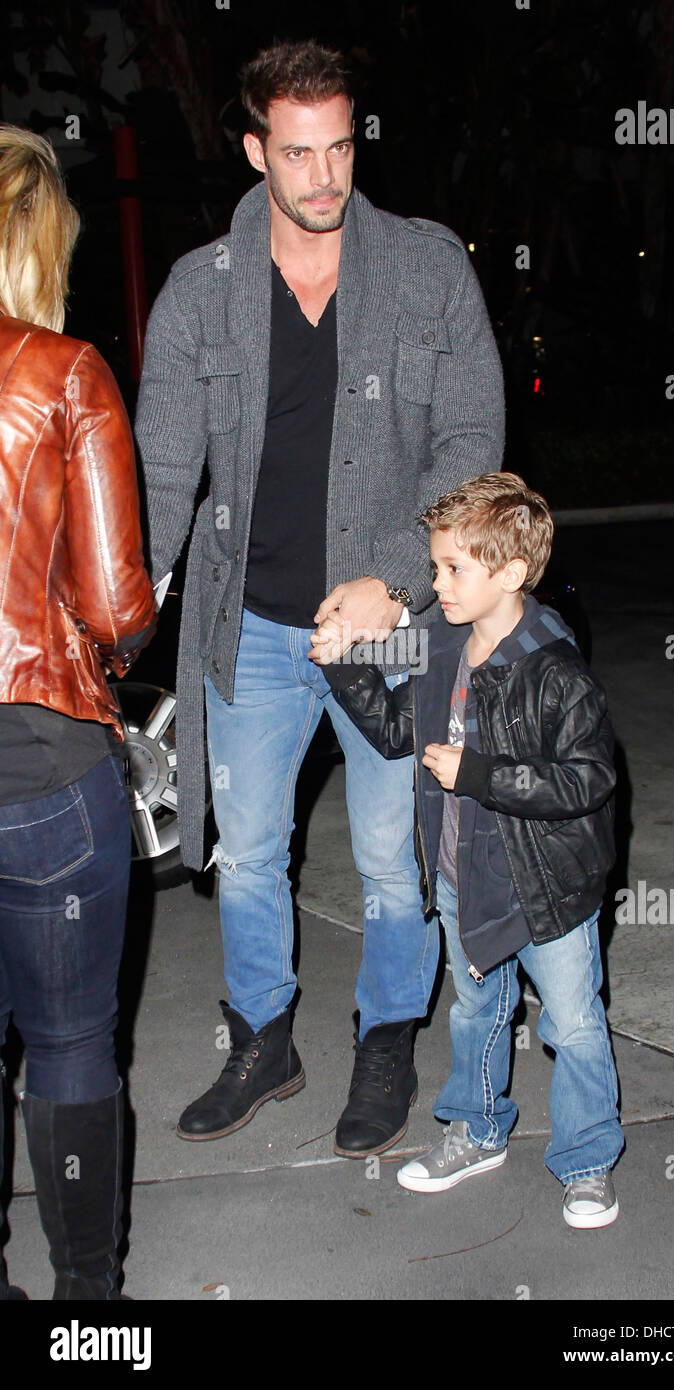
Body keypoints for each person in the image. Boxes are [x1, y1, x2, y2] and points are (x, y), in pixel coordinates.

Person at [135, 40, 505, 1157]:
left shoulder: (428, 269)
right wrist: (124, 597)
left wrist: (392, 577)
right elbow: (162, 469)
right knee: (247, 852)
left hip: (387, 631)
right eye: (297, 152)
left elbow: (471, 441)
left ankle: (387, 1035)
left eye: (339, 145)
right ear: (255, 150)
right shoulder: (202, 290)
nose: (323, 175)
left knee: (392, 857)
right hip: (248, 622)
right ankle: (263, 1038)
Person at [312, 472, 624, 1226]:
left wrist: (480, 774)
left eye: (454, 569)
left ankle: (585, 1163)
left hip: (545, 885)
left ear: (512, 574)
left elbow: (588, 779)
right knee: (476, 1009)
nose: (436, 584)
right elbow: (396, 730)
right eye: (435, 565)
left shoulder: (554, 667)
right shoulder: (440, 645)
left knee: (573, 1023)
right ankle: (475, 1131)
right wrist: (344, 662)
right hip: (461, 874)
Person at [0, 125, 156, 1298]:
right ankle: (86, 1311)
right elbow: (115, 609)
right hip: (44, 763)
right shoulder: (63, 373)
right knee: (65, 1046)